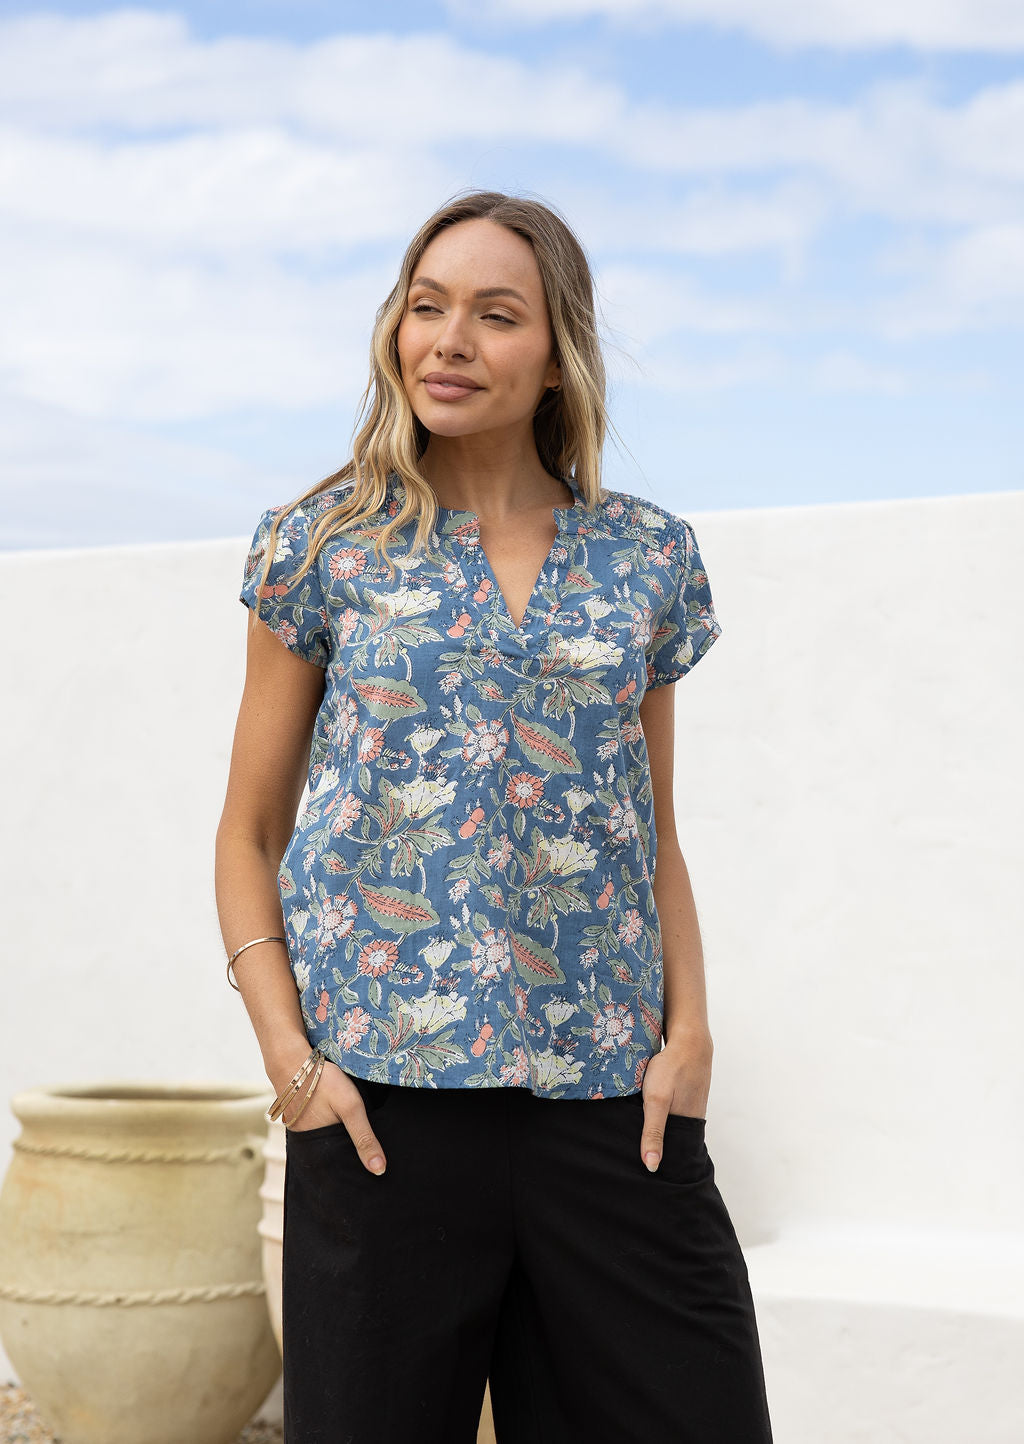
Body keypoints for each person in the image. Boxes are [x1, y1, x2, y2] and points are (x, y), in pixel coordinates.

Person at [214, 188, 773, 1443]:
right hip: (379, 1118)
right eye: (427, 307)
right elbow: (248, 831)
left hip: (612, 1109)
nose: (449, 339)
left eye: (495, 314)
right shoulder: (324, 548)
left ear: (558, 353)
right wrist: (291, 1065)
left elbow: (651, 829)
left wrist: (689, 1043)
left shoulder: (644, 559)